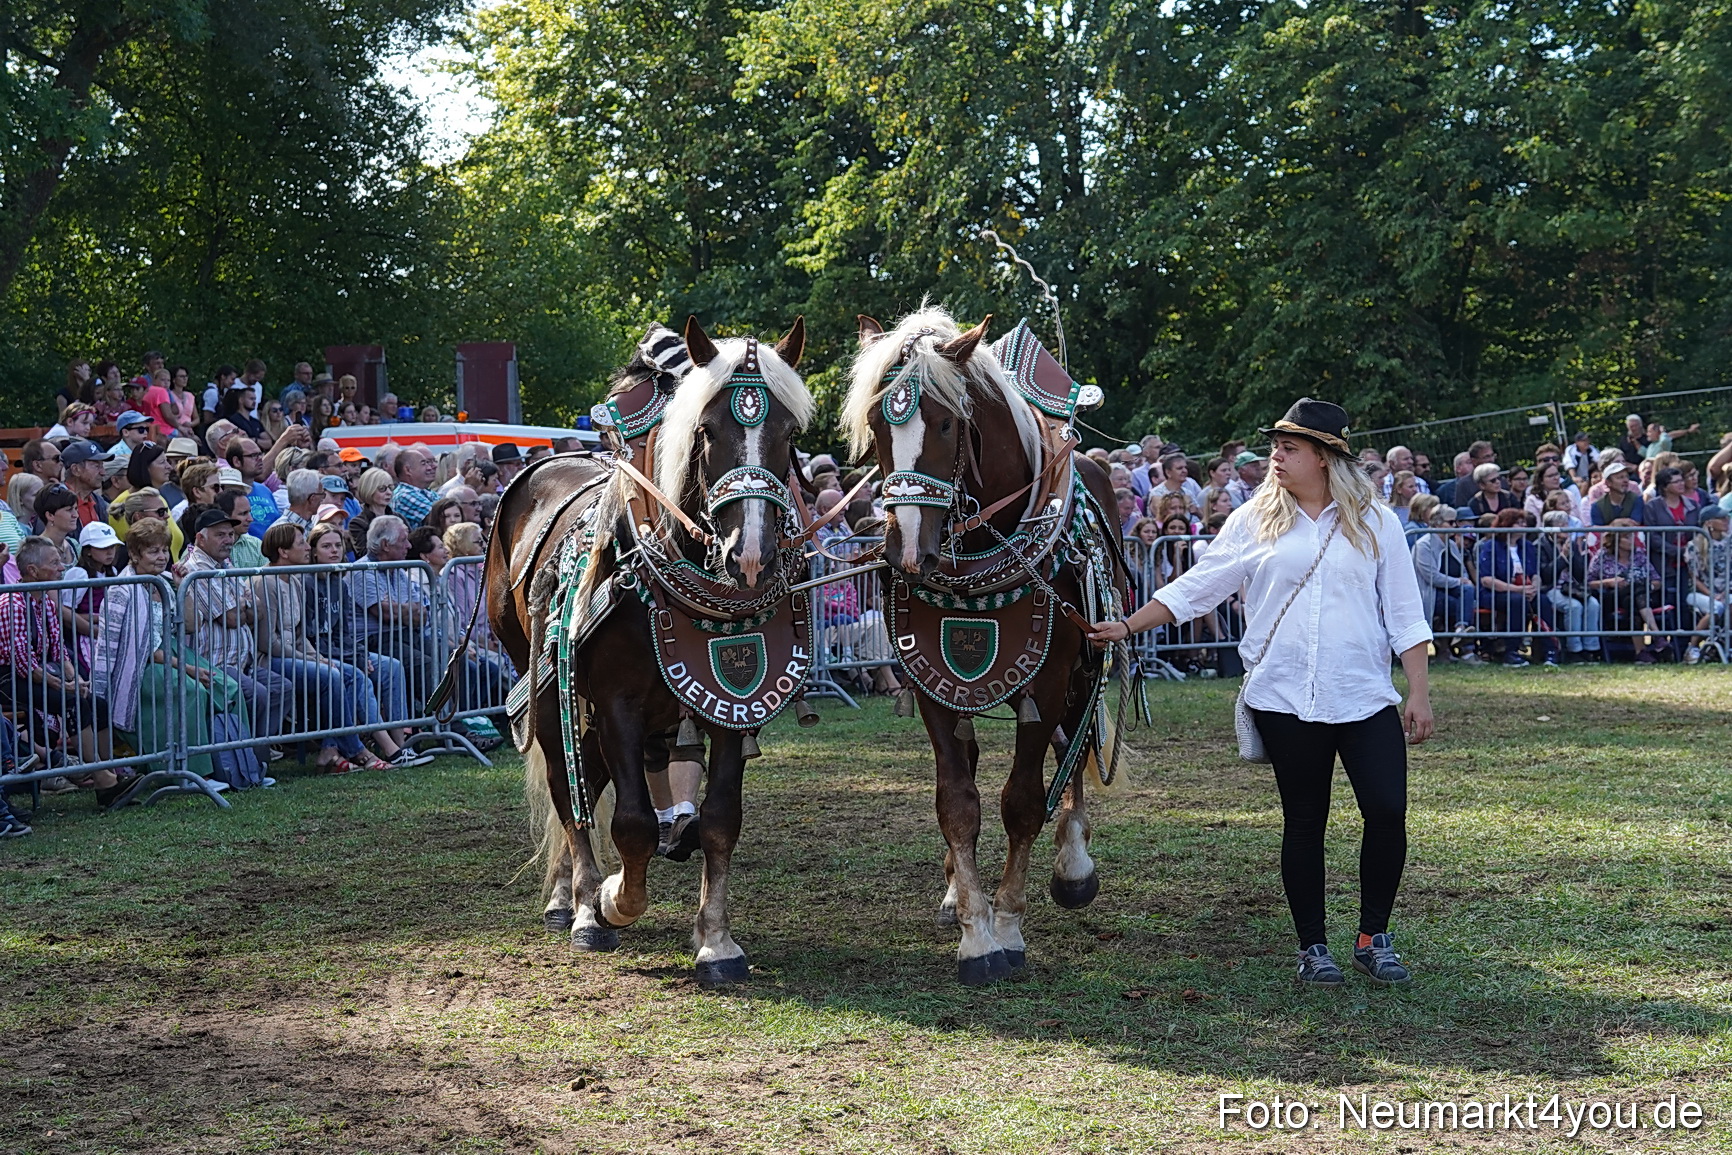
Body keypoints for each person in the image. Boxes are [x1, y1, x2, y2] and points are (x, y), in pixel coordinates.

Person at [1090, 399, 1433, 989]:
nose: (1276, 456)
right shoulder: (1254, 519)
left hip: (1365, 693)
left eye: (1290, 447)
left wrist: (1418, 692)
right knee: (1305, 821)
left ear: (1325, 458)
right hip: (1284, 695)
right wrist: (1127, 626)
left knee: (1387, 810)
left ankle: (1374, 936)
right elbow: (1201, 585)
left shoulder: (1376, 521)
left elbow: (1405, 613)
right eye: (1275, 445)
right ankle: (1313, 947)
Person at [91, 518, 246, 783]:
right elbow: (136, 647)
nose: (162, 557)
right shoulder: (121, 589)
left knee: (228, 686)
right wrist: (186, 668)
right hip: (140, 663)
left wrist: (180, 587)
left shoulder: (166, 581)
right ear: (134, 555)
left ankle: (241, 767)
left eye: (164, 550)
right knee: (191, 691)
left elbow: (189, 626)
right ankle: (195, 774)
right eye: (153, 551)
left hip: (174, 651)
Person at [253, 523, 408, 772]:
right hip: (271, 658)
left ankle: (356, 748)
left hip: (299, 654)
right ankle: (357, 750)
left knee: (350, 673)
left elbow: (301, 634)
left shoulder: (294, 580)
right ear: (283, 551)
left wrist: (317, 657)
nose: (307, 547)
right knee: (334, 675)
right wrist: (314, 659)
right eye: (302, 543)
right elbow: (268, 643)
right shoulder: (266, 582)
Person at [0, 536, 126, 806]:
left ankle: (110, 773)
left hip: (39, 673)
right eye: (54, 563)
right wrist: (61, 685)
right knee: (73, 702)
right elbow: (22, 663)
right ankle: (102, 779)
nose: (61, 569)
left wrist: (75, 678)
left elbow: (59, 650)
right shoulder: (13, 603)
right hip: (8, 678)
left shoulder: (45, 601)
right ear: (33, 571)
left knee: (97, 703)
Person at [177, 507, 293, 780]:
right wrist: (244, 607)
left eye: (230, 534)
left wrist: (244, 608)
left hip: (243, 661)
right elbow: (231, 617)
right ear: (200, 538)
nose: (228, 540)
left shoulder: (226, 566)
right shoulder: (195, 569)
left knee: (282, 688)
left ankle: (251, 755)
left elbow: (257, 612)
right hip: (212, 664)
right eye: (220, 535)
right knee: (259, 694)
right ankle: (246, 759)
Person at [1476, 507, 1556, 667]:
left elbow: (1535, 574)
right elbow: (1487, 580)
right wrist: (1518, 589)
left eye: (1524, 523)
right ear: (1506, 525)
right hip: (1495, 593)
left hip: (1524, 591)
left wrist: (1533, 587)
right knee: (1517, 601)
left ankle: (1549, 652)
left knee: (1543, 601)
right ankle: (1511, 652)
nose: (1523, 526)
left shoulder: (1526, 546)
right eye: (1518, 523)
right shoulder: (1491, 546)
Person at [1411, 505, 1479, 662]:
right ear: (1437, 523)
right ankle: (1462, 646)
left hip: (1450, 591)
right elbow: (1432, 577)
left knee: (1468, 590)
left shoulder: (1452, 544)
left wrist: (1464, 580)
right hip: (1430, 594)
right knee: (1459, 604)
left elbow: (1462, 569)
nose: (1455, 526)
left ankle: (1461, 630)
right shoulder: (1424, 545)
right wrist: (1458, 581)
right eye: (1451, 522)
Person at [1538, 510, 1602, 664]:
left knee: (1593, 604)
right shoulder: (1540, 545)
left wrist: (1573, 555)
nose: (1565, 528)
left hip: (1572, 587)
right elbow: (1546, 574)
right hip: (1551, 588)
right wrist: (1562, 557)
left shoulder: (1572, 544)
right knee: (1573, 606)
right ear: (1549, 528)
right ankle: (1574, 651)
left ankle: (1591, 649)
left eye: (1566, 524)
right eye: (1560, 525)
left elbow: (1580, 573)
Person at [1685, 507, 1730, 663]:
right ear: (1709, 523)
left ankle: (1722, 645)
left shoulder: (1729, 543)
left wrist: (1723, 593)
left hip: (1725, 591)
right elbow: (1694, 577)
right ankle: (1693, 647)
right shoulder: (1694, 545)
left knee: (1729, 603)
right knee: (1716, 607)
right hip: (1699, 592)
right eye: (1721, 518)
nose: (1726, 521)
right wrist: (1712, 594)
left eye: (1726, 517)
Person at [223, 437, 277, 538]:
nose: (260, 458)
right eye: (253, 455)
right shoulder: (226, 494)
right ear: (236, 461)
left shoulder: (265, 490)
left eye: (260, 454)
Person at [60, 439, 112, 527]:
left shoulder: (98, 502)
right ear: (76, 470)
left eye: (102, 466)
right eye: (96, 466)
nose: (103, 472)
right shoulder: (56, 503)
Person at [349, 466, 395, 557]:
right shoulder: (358, 523)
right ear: (369, 490)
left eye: (391, 487)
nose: (389, 492)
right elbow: (363, 554)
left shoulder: (398, 518)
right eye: (382, 489)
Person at [390, 446, 438, 527]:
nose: (430, 468)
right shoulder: (404, 495)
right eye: (423, 464)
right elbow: (442, 516)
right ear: (408, 470)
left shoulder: (426, 491)